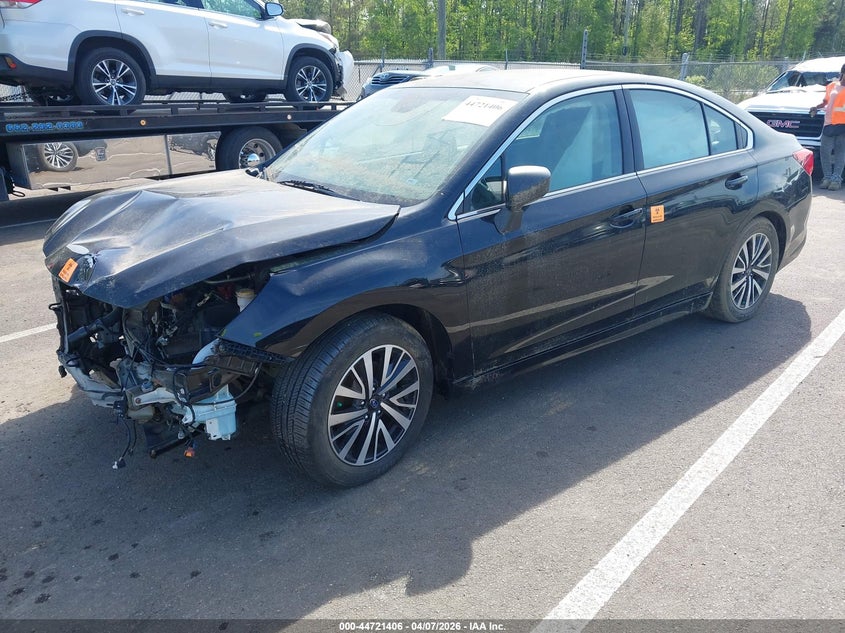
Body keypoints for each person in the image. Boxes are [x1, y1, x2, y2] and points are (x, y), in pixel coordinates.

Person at [810, 63, 845, 191]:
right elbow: (826, 101)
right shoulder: (831, 86)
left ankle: (836, 180)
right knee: (825, 152)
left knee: (840, 153)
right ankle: (827, 178)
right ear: (842, 73)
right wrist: (816, 107)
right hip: (829, 123)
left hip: (843, 125)